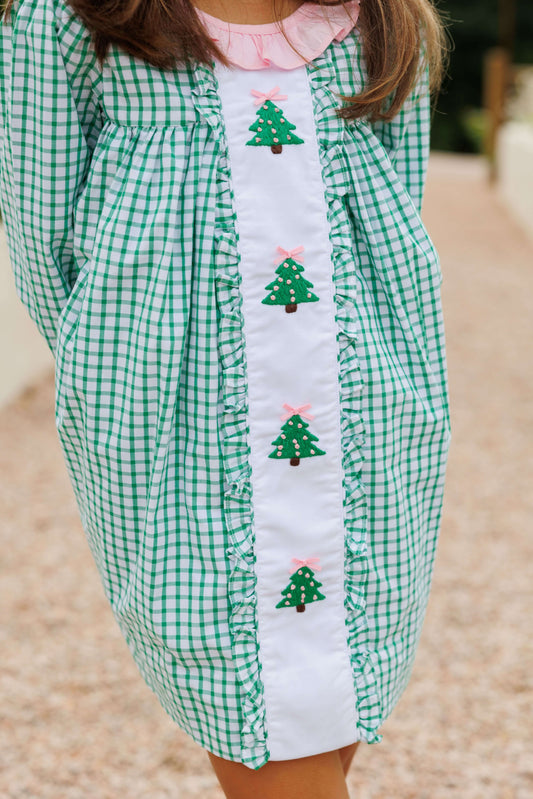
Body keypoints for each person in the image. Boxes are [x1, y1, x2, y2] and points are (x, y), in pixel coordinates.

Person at [0, 0, 451, 796]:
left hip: (366, 413)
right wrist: (113, 378)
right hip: (180, 423)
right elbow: (42, 238)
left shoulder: (380, 16)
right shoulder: (70, 18)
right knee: (246, 689)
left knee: (332, 689)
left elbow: (395, 215)